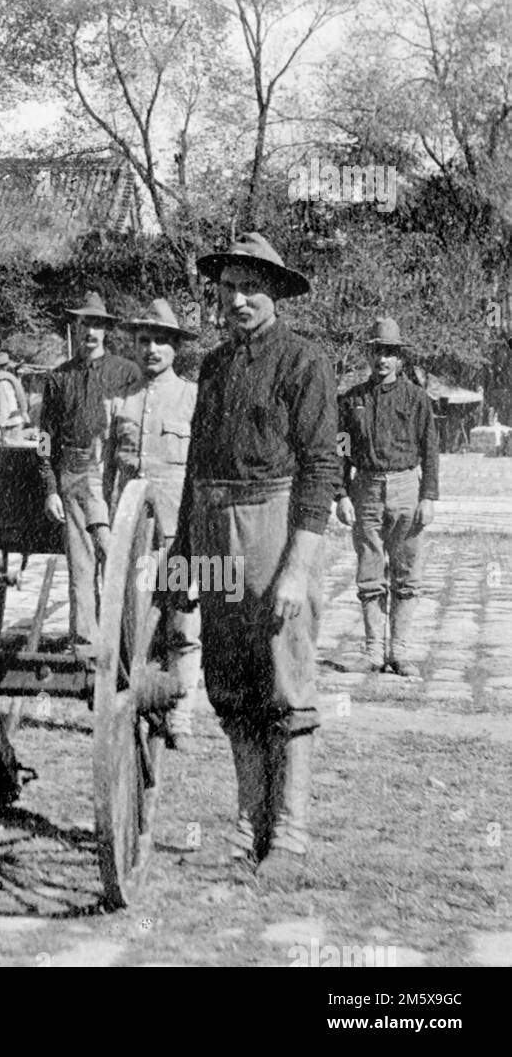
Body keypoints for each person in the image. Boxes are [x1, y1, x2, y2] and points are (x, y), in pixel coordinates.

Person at [175, 233, 338, 885]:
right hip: (213, 528)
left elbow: (322, 469)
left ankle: (291, 839)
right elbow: (193, 468)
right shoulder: (212, 367)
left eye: (252, 287)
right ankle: (247, 832)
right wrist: (182, 564)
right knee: (233, 685)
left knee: (285, 679)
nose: (239, 299)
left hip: (274, 526)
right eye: (229, 288)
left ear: (274, 292)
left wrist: (299, 566)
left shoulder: (305, 363)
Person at [104, 300, 200, 747]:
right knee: (134, 631)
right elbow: (110, 474)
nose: (152, 349)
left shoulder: (193, 398)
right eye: (144, 341)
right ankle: (139, 708)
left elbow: (202, 473)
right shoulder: (121, 401)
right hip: (132, 543)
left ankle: (179, 715)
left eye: (161, 340)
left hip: (180, 538)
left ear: (176, 347)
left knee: (182, 629)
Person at [336, 317, 439, 676]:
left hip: (407, 488)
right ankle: (373, 652)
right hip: (365, 489)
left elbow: (430, 450)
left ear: (400, 359)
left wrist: (428, 496)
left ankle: (401, 652)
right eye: (377, 351)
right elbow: (341, 449)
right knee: (369, 572)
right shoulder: (351, 401)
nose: (383, 360)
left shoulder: (417, 399)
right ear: (369, 353)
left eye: (390, 353)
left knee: (407, 574)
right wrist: (341, 494)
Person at [39, 293, 141, 646]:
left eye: (97, 325)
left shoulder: (127, 373)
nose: (91, 332)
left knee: (120, 557)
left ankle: (127, 641)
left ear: (106, 330)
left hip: (115, 472)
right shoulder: (57, 378)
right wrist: (50, 487)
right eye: (85, 324)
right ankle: (85, 641)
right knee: (81, 566)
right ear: (75, 327)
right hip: (73, 472)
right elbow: (43, 439)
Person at [0, 350, 30, 439]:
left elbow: (4, 409)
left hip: (11, 425)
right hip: (11, 423)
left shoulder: (2, 384)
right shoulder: (4, 381)